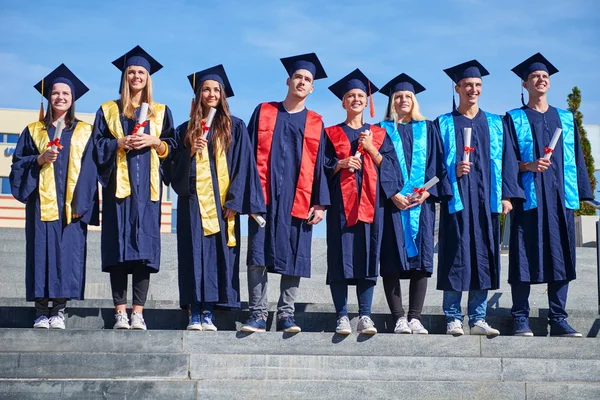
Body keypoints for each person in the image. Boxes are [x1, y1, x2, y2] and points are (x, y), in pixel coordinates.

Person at [168, 65, 265, 331]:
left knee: (216, 256)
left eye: (216, 90)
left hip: (223, 207)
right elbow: (172, 171)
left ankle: (209, 310)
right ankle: (194, 311)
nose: (211, 94)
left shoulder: (235, 127)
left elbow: (244, 166)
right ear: (198, 95)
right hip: (192, 206)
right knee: (191, 256)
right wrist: (189, 150)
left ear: (222, 95)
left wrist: (235, 202)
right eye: (206, 89)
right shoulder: (184, 130)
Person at [505, 53, 593, 337]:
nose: (541, 80)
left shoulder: (564, 118)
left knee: (561, 256)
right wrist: (528, 166)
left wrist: (582, 194)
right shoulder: (514, 118)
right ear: (524, 83)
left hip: (558, 199)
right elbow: (506, 159)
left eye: (544, 77)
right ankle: (520, 317)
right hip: (528, 198)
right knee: (523, 257)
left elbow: (578, 158)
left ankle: (558, 318)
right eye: (534, 77)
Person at [242, 53, 330, 333]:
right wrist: (248, 197)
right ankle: (257, 314)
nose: (302, 82)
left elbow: (320, 166)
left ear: (312, 87)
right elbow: (246, 156)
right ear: (288, 80)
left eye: (307, 79)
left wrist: (320, 203)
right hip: (263, 198)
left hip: (298, 199)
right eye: (298, 77)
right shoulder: (264, 111)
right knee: (258, 256)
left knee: (295, 255)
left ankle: (286, 315)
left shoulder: (316, 122)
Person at [436, 60, 522, 337]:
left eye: (478, 85)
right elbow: (434, 165)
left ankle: (478, 317)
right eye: (468, 85)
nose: (473, 89)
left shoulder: (497, 123)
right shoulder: (443, 123)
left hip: (487, 200)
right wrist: (453, 170)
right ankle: (452, 317)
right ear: (457, 87)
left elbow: (509, 161)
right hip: (457, 200)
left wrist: (508, 195)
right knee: (454, 256)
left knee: (483, 256)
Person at [93, 46, 176, 330]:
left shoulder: (161, 112)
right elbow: (96, 146)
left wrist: (154, 142)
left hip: (148, 194)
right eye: (131, 72)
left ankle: (138, 311)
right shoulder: (108, 110)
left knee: (143, 252)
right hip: (118, 191)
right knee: (118, 251)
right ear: (125, 77)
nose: (136, 76)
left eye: (141, 72)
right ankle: (119, 311)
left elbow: (172, 147)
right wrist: (118, 143)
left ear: (148, 78)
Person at [10, 64, 99, 329]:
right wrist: (39, 159)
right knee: (41, 253)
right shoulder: (33, 131)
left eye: (65, 94)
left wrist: (82, 204)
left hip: (72, 206)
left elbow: (90, 170)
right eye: (55, 93)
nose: (60, 97)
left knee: (67, 256)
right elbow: (17, 165)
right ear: (48, 98)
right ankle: (40, 311)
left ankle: (59, 310)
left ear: (72, 100)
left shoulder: (85, 131)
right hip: (41, 205)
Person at [323, 69, 400, 335]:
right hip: (340, 207)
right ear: (343, 102)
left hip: (371, 205)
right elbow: (318, 168)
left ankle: (365, 315)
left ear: (367, 102)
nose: (356, 99)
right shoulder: (330, 133)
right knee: (340, 257)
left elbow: (393, 170)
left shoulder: (378, 134)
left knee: (368, 256)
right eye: (350, 96)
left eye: (360, 96)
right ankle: (342, 316)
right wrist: (340, 164)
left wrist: (371, 149)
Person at [377, 73, 451, 334]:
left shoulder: (429, 128)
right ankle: (398, 317)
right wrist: (391, 193)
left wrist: (428, 194)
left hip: (422, 204)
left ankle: (415, 317)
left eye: (408, 96)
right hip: (392, 206)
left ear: (414, 101)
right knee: (391, 259)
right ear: (392, 102)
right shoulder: (381, 130)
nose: (403, 100)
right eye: (398, 96)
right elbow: (378, 169)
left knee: (421, 260)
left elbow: (439, 166)